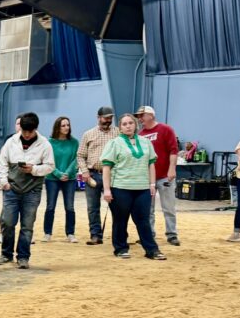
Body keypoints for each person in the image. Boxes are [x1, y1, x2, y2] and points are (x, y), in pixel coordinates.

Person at [0, 112, 54, 269]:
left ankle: (23, 257)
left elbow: (50, 166)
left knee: (27, 225)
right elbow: (2, 163)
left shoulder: (45, 144)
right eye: (23, 131)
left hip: (32, 191)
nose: (26, 135)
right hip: (11, 189)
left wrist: (33, 169)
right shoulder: (11, 142)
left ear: (36, 128)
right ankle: (6, 254)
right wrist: (4, 182)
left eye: (29, 132)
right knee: (7, 222)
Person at [101, 114, 166, 261]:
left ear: (136, 125)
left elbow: (151, 164)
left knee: (143, 220)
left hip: (142, 188)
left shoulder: (146, 142)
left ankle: (152, 250)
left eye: (131, 123)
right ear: (120, 127)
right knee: (120, 220)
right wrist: (107, 189)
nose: (128, 126)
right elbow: (106, 167)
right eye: (124, 124)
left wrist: (152, 184)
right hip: (120, 187)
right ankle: (121, 248)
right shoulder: (114, 143)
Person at [135, 106, 180, 246]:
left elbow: (173, 150)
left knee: (169, 207)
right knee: (148, 209)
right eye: (139, 116)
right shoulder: (140, 135)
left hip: (165, 175)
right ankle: (149, 234)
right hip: (148, 177)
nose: (140, 119)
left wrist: (172, 169)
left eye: (142, 115)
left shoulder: (165, 129)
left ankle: (172, 234)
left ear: (151, 115)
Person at [77, 106, 119, 245]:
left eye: (110, 118)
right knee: (93, 208)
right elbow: (80, 155)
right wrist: (85, 172)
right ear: (98, 118)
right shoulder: (88, 134)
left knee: (117, 207)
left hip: (113, 175)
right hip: (93, 175)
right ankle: (95, 235)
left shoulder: (118, 133)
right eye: (106, 118)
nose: (108, 120)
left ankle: (118, 235)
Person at [42, 116, 79, 243]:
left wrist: (67, 173)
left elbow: (76, 159)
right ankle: (47, 233)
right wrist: (58, 174)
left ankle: (70, 233)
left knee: (70, 207)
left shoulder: (74, 142)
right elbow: (47, 160)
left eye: (68, 125)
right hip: (52, 178)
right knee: (50, 206)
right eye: (63, 125)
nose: (66, 127)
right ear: (57, 127)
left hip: (70, 178)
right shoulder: (49, 143)